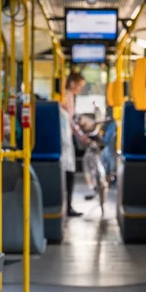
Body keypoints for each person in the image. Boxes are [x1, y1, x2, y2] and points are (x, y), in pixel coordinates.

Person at [62, 72, 89, 216]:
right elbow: (69, 120)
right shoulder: (67, 95)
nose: (79, 89)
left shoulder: (68, 95)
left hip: (66, 137)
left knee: (69, 173)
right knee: (69, 173)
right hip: (64, 139)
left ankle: (67, 206)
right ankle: (67, 207)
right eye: (79, 86)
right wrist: (80, 135)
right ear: (72, 83)